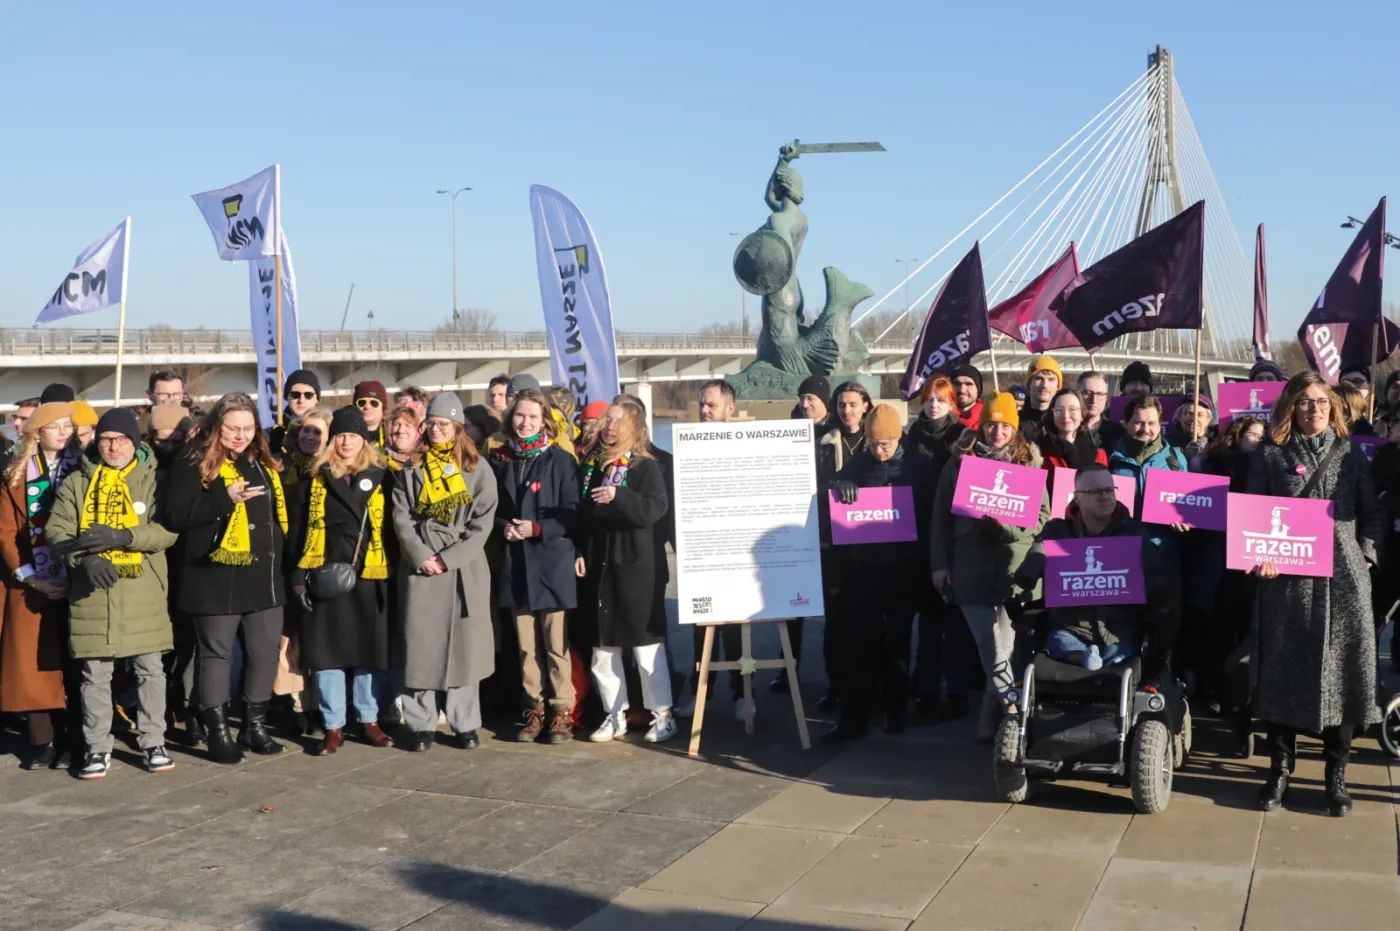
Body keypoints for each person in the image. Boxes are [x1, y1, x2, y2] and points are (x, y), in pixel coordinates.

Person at [1249, 372, 1383, 817]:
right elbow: (1252, 517)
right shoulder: (1270, 456)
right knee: (1282, 671)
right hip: (1287, 583)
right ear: (1290, 406)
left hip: (1343, 581)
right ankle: (1280, 769)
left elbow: (1373, 513)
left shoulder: (1350, 455)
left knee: (1344, 676)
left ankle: (1336, 775)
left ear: (1334, 406)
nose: (1314, 409)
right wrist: (1260, 556)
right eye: (1305, 402)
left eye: (1322, 402)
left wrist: (1365, 554)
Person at [48, 409, 178, 779]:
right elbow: (56, 532)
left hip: (143, 590)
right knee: (94, 674)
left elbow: (168, 530)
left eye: (122, 439)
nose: (113, 446)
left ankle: (154, 740)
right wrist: (84, 559)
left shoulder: (155, 479)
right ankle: (97, 747)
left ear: (135, 443)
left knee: (150, 670)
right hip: (92, 594)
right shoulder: (77, 482)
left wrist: (125, 537)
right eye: (106, 439)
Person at [163, 393, 288, 764]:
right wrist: (223, 496)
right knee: (216, 655)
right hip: (214, 576)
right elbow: (177, 515)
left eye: (248, 428)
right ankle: (217, 731)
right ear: (217, 426)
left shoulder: (262, 462)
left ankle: (254, 726)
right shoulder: (192, 460)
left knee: (264, 654)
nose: (240, 435)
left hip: (263, 577)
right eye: (233, 428)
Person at [929, 392, 1049, 742]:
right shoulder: (959, 463)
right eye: (991, 424)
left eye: (1005, 426)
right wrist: (939, 563)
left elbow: (1043, 518)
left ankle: (989, 716)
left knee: (1006, 650)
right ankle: (1012, 709)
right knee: (988, 645)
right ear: (981, 426)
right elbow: (939, 517)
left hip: (1013, 570)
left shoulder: (1029, 464)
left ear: (1015, 429)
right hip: (969, 567)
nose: (997, 432)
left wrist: (1006, 528)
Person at [393, 393, 498, 752]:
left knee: (465, 649)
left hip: (463, 569)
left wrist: (450, 558)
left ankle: (464, 723)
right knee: (420, 646)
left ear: (457, 428)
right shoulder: (411, 468)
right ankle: (420, 723)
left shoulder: (477, 468)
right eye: (432, 424)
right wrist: (421, 555)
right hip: (421, 569)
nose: (437, 430)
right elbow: (401, 517)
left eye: (444, 424)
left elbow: (483, 523)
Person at [288, 407, 395, 755]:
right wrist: (298, 580)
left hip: (368, 576)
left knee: (367, 654)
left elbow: (393, 532)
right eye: (341, 435)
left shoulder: (383, 476)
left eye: (353, 435)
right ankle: (333, 727)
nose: (346, 442)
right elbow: (299, 534)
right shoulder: (315, 479)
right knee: (328, 656)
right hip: (326, 577)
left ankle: (369, 720)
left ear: (364, 440)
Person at [576, 396, 675, 743]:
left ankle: (661, 713)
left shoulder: (645, 467)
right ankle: (613, 713)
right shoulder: (594, 465)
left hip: (636, 567)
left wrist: (620, 497)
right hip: (601, 567)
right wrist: (580, 551)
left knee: (646, 647)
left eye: (617, 422)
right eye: (607, 421)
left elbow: (654, 509)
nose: (609, 428)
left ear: (633, 427)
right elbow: (583, 516)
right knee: (603, 649)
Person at [822, 404, 920, 743]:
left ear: (898, 438)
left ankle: (895, 708)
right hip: (864, 569)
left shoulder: (916, 466)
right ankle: (855, 716)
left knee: (898, 643)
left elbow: (933, 511)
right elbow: (830, 490)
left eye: (886, 444)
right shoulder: (861, 462)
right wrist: (840, 484)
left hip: (903, 568)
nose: (880, 451)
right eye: (874, 444)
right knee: (859, 644)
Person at [489, 388, 580, 743]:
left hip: (550, 564)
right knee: (527, 646)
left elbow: (573, 515)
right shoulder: (500, 460)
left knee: (556, 644)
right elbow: (490, 511)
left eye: (532, 417)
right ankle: (534, 709)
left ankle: (561, 712)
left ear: (544, 421)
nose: (525, 423)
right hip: (516, 565)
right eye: (519, 416)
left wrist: (538, 528)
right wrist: (505, 528)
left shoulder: (560, 460)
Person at [1015, 464, 1171, 669]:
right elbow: (1040, 548)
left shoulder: (1132, 532)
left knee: (1121, 659)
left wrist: (1158, 608)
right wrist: (1029, 571)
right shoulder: (1060, 530)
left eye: (1109, 489)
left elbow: (1156, 576)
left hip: (1117, 629)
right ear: (1077, 497)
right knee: (1058, 644)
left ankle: (1091, 660)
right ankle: (1081, 657)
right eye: (1095, 491)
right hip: (1071, 627)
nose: (1105, 496)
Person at [0, 402, 82, 769]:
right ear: (37, 432)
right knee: (33, 662)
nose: (64, 432)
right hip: (31, 581)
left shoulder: (83, 470)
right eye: (55, 426)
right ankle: (42, 740)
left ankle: (71, 740)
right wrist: (31, 577)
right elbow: (5, 532)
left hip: (77, 578)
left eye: (68, 426)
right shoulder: (15, 475)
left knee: (72, 660)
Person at [904, 376, 978, 721]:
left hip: (954, 536)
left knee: (957, 623)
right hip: (917, 538)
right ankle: (927, 690)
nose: (934, 405)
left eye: (942, 399)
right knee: (930, 623)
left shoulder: (963, 440)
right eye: (930, 399)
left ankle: (957, 691)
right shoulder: (910, 438)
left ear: (953, 405)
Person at [673, 380, 746, 720]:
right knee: (701, 632)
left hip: (737, 557)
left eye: (711, 405)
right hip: (702, 555)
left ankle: (743, 694)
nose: (704, 411)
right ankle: (700, 693)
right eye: (701, 404)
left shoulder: (745, 447)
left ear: (729, 409)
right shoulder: (685, 447)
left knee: (737, 632)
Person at [1039, 388, 1108, 470]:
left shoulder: (1099, 456)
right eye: (1059, 410)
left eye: (1072, 409)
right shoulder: (1038, 454)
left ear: (1082, 415)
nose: (1065, 415)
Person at [270, 370, 322, 458]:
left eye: (308, 395)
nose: (301, 400)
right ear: (287, 397)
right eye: (295, 395)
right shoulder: (272, 435)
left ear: (317, 398)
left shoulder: (330, 429)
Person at [1020, 354, 1063, 442]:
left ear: (1058, 385)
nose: (1045, 385)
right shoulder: (1015, 421)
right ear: (1029, 384)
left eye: (1051, 379)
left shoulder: (1064, 421)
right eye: (1039, 379)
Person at [1165, 394, 1215, 460]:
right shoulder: (1166, 443)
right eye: (1188, 413)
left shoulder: (1217, 443)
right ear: (1180, 417)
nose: (1193, 419)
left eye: (1199, 415)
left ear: (1208, 419)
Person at [353, 381, 389, 448]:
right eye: (362, 402)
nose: (367, 407)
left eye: (374, 403)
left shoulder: (393, 436)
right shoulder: (345, 438)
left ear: (383, 407)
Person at [385, 406, 422, 471]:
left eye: (407, 425)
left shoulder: (426, 462)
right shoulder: (379, 460)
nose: (401, 430)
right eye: (396, 424)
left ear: (417, 432)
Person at [951, 364, 984, 429]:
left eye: (969, 384)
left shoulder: (989, 419)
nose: (962, 390)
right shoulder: (939, 418)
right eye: (957, 384)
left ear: (978, 389)